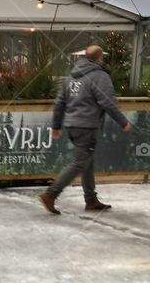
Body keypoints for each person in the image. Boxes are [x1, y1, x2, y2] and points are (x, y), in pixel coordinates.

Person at [39, 45, 132, 214]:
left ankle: (91, 200)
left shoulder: (71, 77)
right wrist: (123, 121)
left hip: (72, 125)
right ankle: (51, 194)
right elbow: (107, 101)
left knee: (87, 161)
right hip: (87, 125)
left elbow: (60, 102)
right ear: (100, 58)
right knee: (80, 163)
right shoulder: (99, 76)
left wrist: (56, 126)